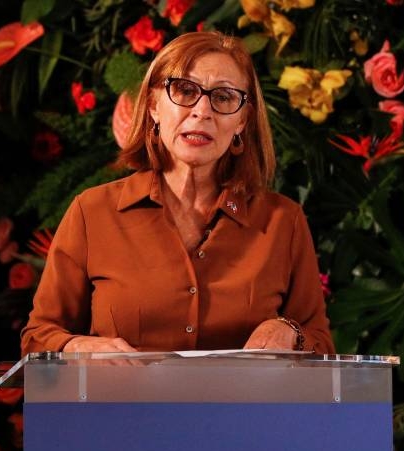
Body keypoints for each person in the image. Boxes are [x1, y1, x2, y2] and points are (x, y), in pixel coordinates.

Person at [20, 31, 335, 355]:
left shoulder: (284, 221)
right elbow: (37, 339)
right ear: (155, 105)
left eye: (224, 97)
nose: (202, 111)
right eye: (185, 91)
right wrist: (79, 347)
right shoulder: (92, 212)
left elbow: (321, 342)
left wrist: (290, 331)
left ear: (242, 120)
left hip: (242, 407)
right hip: (122, 406)